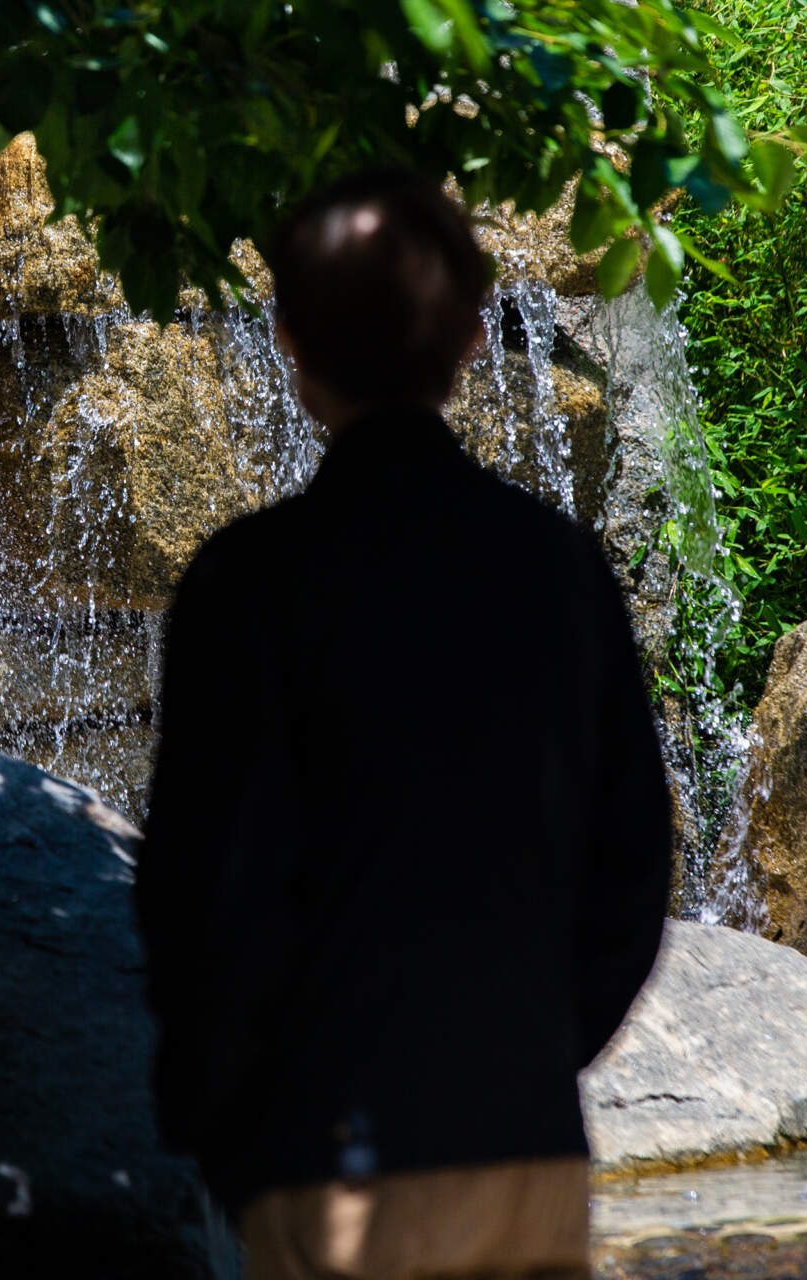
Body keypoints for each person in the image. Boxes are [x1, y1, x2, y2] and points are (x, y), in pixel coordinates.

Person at [134, 170, 673, 1280]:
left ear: (286, 342)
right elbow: (634, 862)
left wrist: (222, 1120)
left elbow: (197, 891)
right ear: (477, 337)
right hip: (522, 1141)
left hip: (325, 1150)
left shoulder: (247, 584)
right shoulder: (560, 568)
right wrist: (526, 1052)